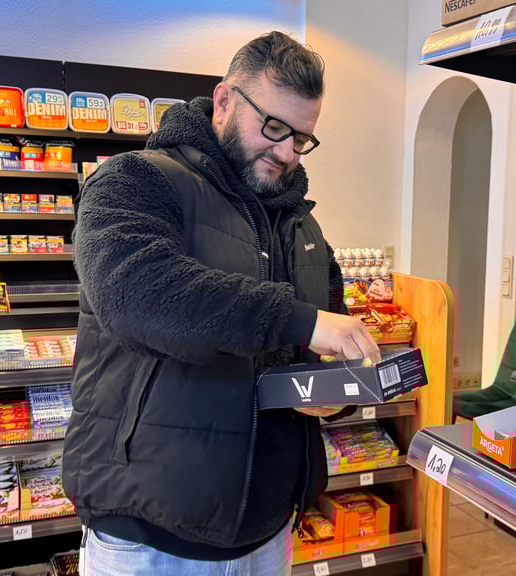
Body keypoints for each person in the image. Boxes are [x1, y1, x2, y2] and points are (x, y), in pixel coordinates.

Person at [63, 31, 381, 575]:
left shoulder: (301, 224)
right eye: (274, 127)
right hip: (152, 537)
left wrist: (333, 393)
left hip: (269, 530)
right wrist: (300, 321)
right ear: (225, 100)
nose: (286, 152)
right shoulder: (135, 181)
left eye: (302, 138)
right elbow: (138, 293)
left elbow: (309, 356)